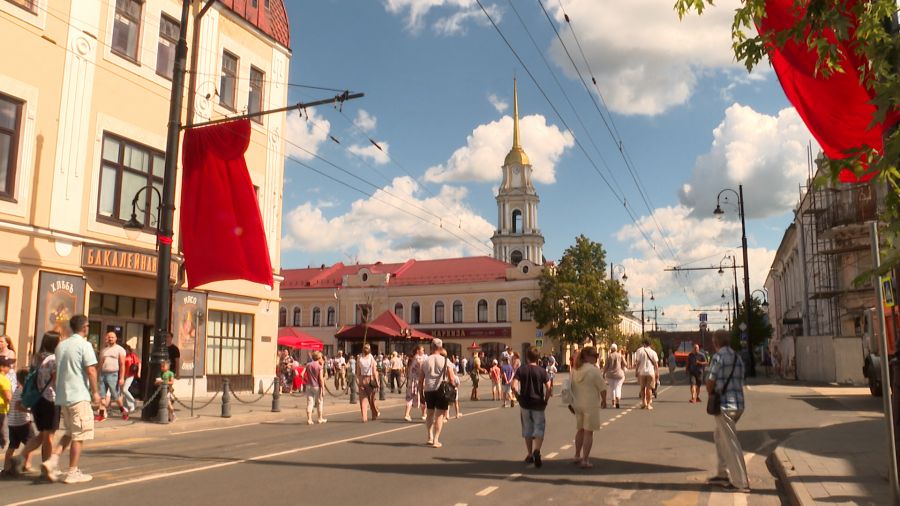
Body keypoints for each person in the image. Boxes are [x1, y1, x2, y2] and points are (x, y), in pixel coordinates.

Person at [49, 314, 100, 484]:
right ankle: (72, 471)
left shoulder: (61, 346)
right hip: (79, 395)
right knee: (79, 434)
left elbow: (56, 371)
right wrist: (96, 393)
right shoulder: (84, 345)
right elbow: (91, 370)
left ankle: (52, 461)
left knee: (70, 432)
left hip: (63, 395)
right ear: (85, 327)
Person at [14, 332, 63, 482]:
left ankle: (21, 457)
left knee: (42, 435)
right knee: (49, 436)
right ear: (55, 343)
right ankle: (47, 467)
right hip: (51, 400)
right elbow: (55, 380)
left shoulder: (37, 357)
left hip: (38, 400)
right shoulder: (54, 359)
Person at [706, 332, 749, 492]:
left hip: (724, 405)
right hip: (738, 404)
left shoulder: (718, 357)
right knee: (719, 436)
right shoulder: (738, 358)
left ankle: (740, 482)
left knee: (730, 443)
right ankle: (722, 473)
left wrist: (710, 390)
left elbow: (711, 380)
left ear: (716, 342)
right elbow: (742, 378)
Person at [512, 346, 552, 468]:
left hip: (525, 403)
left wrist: (518, 397)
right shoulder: (542, 371)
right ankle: (537, 450)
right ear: (538, 358)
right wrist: (545, 400)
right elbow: (549, 388)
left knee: (527, 428)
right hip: (538, 403)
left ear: (527, 357)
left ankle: (529, 454)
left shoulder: (521, 370)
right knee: (539, 427)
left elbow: (513, 386)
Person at [571, 346, 605, 468]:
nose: (596, 358)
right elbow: (602, 388)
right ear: (587, 357)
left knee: (580, 430)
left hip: (577, 404)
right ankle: (585, 460)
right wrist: (604, 400)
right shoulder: (593, 370)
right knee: (588, 433)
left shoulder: (576, 369)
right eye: (595, 356)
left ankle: (576, 455)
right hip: (590, 404)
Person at [419, 338, 456, 448]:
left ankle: (429, 436)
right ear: (440, 348)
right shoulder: (445, 360)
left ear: (431, 347)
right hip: (441, 390)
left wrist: (421, 394)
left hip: (428, 389)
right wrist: (453, 388)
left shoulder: (425, 361)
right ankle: (436, 440)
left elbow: (421, 380)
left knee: (429, 414)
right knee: (439, 415)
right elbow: (451, 378)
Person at [4, 369, 35, 476]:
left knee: (12, 445)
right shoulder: (23, 391)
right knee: (31, 442)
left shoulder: (17, 390)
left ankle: (6, 467)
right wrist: (30, 410)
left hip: (12, 422)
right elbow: (18, 406)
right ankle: (27, 465)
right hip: (23, 422)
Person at [97, 332, 127, 422]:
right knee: (102, 396)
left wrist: (121, 378)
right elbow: (100, 364)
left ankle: (123, 411)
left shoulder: (120, 350)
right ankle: (101, 415)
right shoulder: (103, 350)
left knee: (116, 396)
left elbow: (122, 364)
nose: (110, 339)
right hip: (103, 374)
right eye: (109, 337)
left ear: (116, 338)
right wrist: (97, 375)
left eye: (112, 337)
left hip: (113, 374)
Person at [356, 344, 379, 422]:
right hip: (370, 379)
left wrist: (358, 381)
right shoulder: (371, 357)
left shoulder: (359, 357)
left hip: (362, 378)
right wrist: (377, 382)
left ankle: (365, 417)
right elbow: (374, 371)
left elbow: (358, 371)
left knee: (363, 399)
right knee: (371, 399)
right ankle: (373, 414)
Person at [634, 339, 659, 409]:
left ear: (643, 344)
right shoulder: (653, 352)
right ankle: (648, 404)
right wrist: (657, 372)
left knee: (642, 388)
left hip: (642, 372)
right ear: (650, 344)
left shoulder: (639, 351)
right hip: (651, 372)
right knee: (649, 389)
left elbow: (638, 362)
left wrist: (636, 371)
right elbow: (656, 364)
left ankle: (643, 403)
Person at [403, 346, 427, 422]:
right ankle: (424, 414)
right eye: (422, 350)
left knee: (409, 397)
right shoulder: (419, 359)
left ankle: (407, 414)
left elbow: (407, 370)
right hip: (419, 380)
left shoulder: (411, 358)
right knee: (422, 396)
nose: (423, 351)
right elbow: (422, 369)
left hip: (411, 380)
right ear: (417, 351)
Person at [305, 351, 326, 425]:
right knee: (319, 402)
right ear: (319, 358)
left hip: (308, 385)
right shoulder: (319, 366)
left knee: (309, 403)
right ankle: (320, 418)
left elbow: (304, 374)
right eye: (321, 357)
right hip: (317, 386)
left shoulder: (308, 365)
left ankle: (309, 419)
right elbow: (320, 378)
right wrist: (323, 388)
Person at [603, 343, 626, 409]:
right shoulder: (620, 355)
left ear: (611, 349)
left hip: (610, 375)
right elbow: (625, 363)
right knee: (618, 387)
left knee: (612, 388)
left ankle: (613, 402)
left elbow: (606, 366)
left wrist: (604, 373)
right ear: (616, 349)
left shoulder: (609, 356)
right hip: (619, 374)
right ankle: (617, 400)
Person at [122, 344, 140, 414]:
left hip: (130, 374)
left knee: (125, 390)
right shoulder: (122, 356)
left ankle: (132, 402)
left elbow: (138, 363)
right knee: (124, 391)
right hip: (123, 375)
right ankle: (127, 407)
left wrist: (138, 372)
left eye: (126, 350)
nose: (125, 351)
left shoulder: (132, 355)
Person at [0, 358, 11, 458]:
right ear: (2, 368)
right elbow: (8, 396)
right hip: (2, 409)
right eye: (8, 366)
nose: (10, 368)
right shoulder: (4, 379)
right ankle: (5, 449)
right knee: (4, 432)